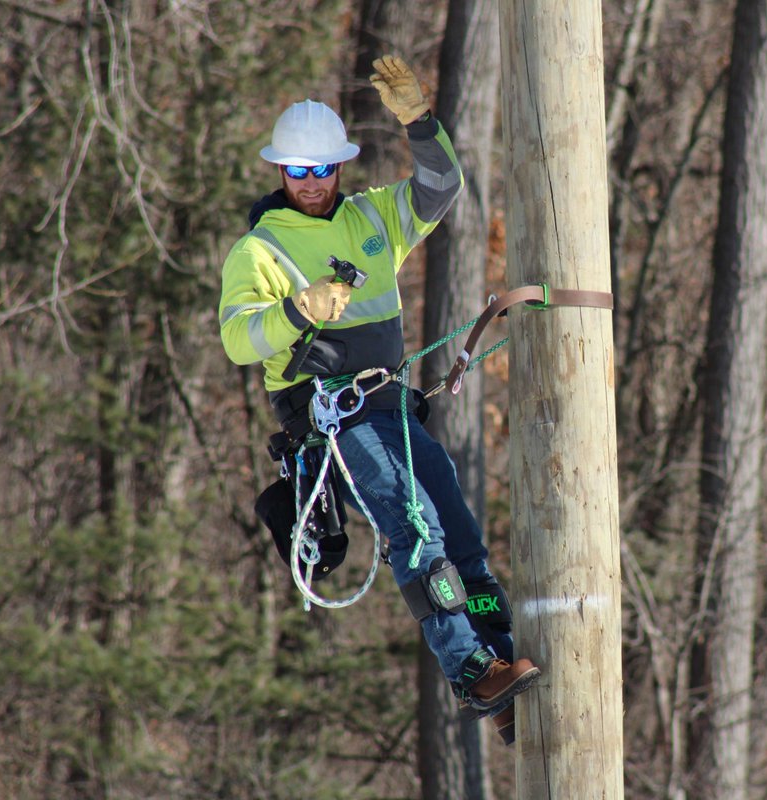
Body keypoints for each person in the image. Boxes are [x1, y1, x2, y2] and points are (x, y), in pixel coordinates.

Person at [218, 54, 538, 744]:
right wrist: (298, 310)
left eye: (321, 169)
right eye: (296, 170)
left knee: (460, 534)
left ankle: (503, 665)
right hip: (332, 417)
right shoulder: (260, 250)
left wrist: (419, 122)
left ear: (339, 167)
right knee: (415, 527)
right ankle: (471, 670)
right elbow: (239, 340)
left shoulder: (372, 216)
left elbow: (442, 187)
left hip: (389, 406)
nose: (309, 182)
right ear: (280, 171)